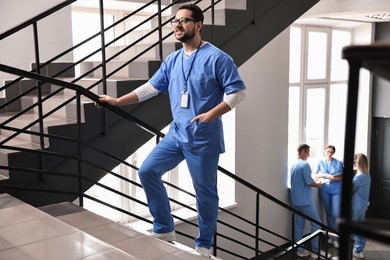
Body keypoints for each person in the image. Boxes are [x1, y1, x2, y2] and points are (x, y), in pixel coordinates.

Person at [97, 3, 247, 258]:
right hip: (177, 134)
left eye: (184, 21)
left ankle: (204, 244)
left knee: (204, 193)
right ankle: (165, 228)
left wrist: (212, 114)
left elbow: (238, 93)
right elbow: (151, 88)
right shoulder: (173, 60)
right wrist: (118, 101)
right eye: (174, 21)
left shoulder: (218, 58)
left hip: (203, 138)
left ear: (198, 24)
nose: (177, 25)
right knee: (147, 171)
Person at [289, 144, 331, 258]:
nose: (309, 155)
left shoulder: (293, 164)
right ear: (303, 152)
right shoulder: (304, 164)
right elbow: (309, 182)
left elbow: (301, 180)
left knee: (299, 224)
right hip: (304, 201)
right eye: (308, 152)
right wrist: (318, 185)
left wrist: (313, 180)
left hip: (294, 199)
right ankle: (315, 252)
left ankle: (299, 250)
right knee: (317, 224)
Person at [313, 145, 343, 248]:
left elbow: (343, 176)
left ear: (333, 153)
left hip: (336, 190)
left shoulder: (338, 163)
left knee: (336, 213)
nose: (329, 153)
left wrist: (336, 178)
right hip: (325, 189)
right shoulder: (320, 162)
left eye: (331, 152)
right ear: (325, 151)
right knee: (329, 214)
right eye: (327, 151)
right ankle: (331, 235)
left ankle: (336, 238)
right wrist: (325, 175)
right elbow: (314, 175)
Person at [351, 153, 371, 259]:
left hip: (355, 207)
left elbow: (351, 190)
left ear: (357, 162)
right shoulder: (367, 175)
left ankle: (349, 249)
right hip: (363, 206)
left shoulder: (358, 177)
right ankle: (359, 250)